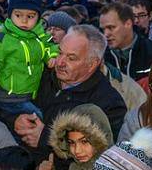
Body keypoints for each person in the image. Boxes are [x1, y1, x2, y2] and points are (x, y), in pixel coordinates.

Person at [12, 25, 127, 160]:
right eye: (59, 52)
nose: (60, 62)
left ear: (92, 64)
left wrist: (45, 138)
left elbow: (99, 158)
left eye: (71, 58)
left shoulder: (108, 103)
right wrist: (14, 118)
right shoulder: (39, 74)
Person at [100, 2, 152, 80]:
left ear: (128, 24)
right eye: (103, 29)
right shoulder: (100, 58)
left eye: (111, 27)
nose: (106, 34)